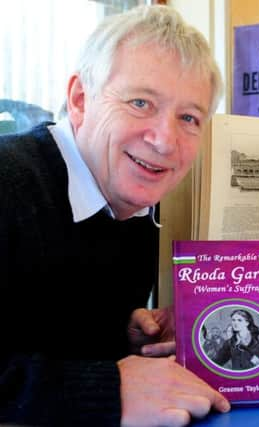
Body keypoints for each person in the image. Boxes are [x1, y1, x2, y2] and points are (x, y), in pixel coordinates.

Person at [0, 5, 231, 426]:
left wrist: (122, 337)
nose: (165, 140)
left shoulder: (136, 207)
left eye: (189, 118)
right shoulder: (8, 183)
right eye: (141, 102)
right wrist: (105, 389)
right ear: (80, 100)